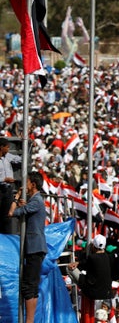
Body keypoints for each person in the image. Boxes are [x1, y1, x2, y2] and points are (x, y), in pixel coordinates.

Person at [8, 171, 47, 323]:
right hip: (32, 248)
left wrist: (16, 197)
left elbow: (11, 213)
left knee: (29, 286)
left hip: (35, 248)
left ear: (33, 184)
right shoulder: (34, 201)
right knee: (30, 285)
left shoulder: (36, 201)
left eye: (28, 182)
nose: (25, 185)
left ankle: (29, 321)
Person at [67, 234, 113, 301]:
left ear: (93, 246)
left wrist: (78, 262)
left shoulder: (92, 257)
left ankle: (80, 288)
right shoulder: (108, 257)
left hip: (92, 292)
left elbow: (84, 265)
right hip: (107, 293)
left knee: (69, 268)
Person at [0, 136, 20, 234]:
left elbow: (19, 159)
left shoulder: (7, 156)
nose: (8, 149)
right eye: (7, 147)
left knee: (7, 216)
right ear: (1, 147)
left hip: (7, 190)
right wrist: (3, 179)